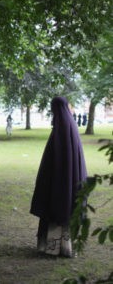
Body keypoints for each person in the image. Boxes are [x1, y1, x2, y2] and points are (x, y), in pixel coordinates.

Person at [30, 97, 87, 258]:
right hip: (68, 181)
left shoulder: (60, 129)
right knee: (64, 209)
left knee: (56, 209)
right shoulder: (71, 127)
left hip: (57, 182)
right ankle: (63, 246)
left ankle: (53, 248)